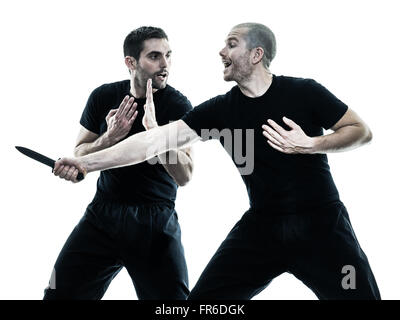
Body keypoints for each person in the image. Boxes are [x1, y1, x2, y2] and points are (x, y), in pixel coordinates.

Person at [54, 23, 380, 300]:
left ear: (256, 55)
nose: (221, 51)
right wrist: (87, 163)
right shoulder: (220, 110)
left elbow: (359, 130)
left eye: (231, 44)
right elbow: (151, 142)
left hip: (321, 224)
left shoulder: (304, 92)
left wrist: (312, 144)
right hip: (261, 228)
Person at [45, 26, 194, 300]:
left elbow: (185, 175)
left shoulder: (178, 105)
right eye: (155, 56)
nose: (165, 65)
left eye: (169, 55)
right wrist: (109, 137)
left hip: (154, 221)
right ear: (131, 62)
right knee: (58, 294)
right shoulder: (103, 96)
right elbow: (80, 152)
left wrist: (155, 134)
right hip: (102, 215)